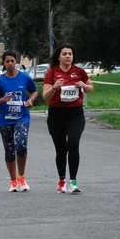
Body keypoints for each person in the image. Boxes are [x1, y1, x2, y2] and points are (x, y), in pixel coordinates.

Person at [42, 43, 94, 194]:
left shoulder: (79, 71)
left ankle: (74, 181)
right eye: (64, 54)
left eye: (70, 54)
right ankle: (61, 181)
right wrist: (55, 87)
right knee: (61, 149)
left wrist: (84, 85)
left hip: (75, 114)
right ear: (58, 57)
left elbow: (90, 88)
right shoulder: (51, 73)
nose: (68, 56)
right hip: (56, 115)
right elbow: (45, 96)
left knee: (73, 143)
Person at [0, 50, 39, 192]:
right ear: (3, 63)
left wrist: (31, 99)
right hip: (4, 119)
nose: (10, 64)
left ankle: (21, 177)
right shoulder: (0, 81)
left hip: (22, 116)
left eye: (12, 61)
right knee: (9, 150)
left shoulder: (24, 78)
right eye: (7, 61)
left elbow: (34, 91)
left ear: (16, 61)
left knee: (21, 144)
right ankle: (13, 181)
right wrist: (2, 100)